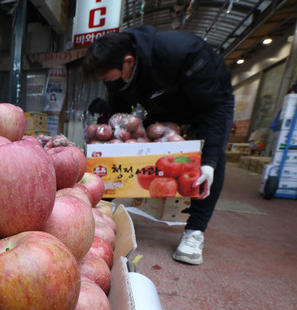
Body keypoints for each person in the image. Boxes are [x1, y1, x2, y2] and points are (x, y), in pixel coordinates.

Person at [83, 26, 235, 265]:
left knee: (205, 164)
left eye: (106, 77)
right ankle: (99, 215)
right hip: (160, 106)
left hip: (208, 104)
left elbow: (212, 110)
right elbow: (119, 106)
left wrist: (210, 161)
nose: (106, 82)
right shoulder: (120, 73)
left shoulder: (184, 52)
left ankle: (194, 232)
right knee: (125, 151)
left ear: (128, 62)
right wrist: (112, 138)